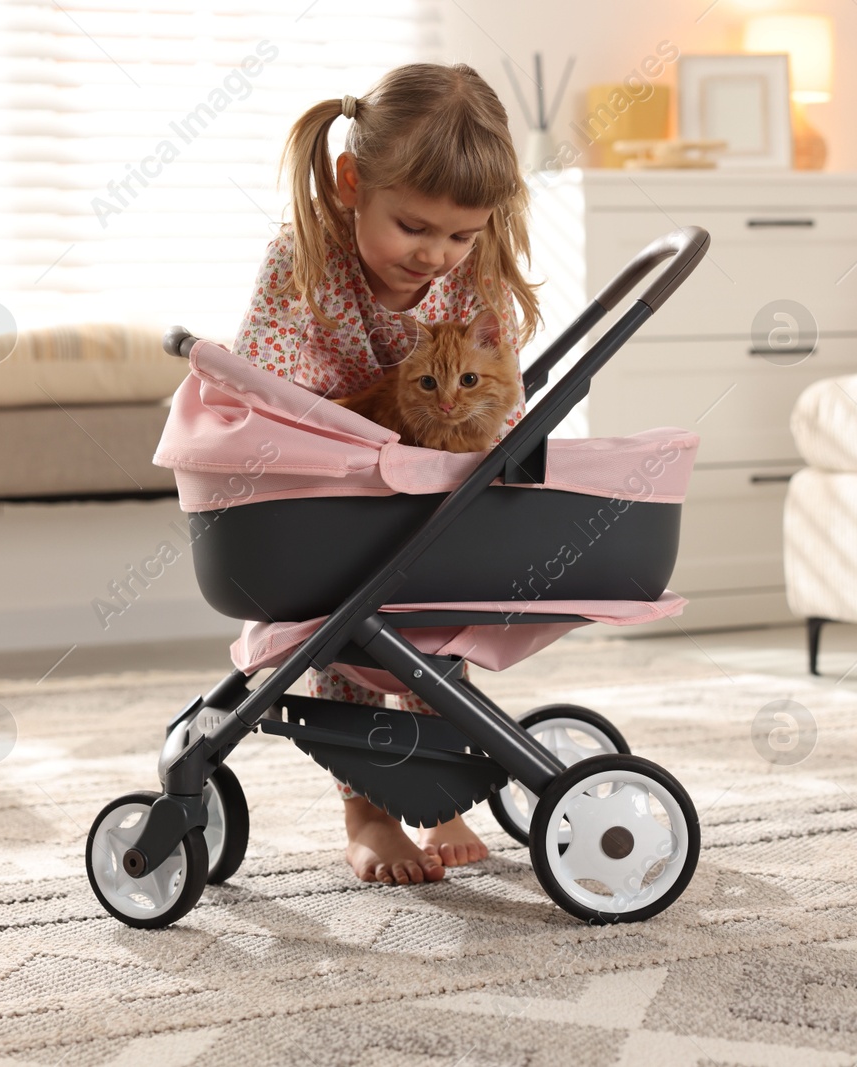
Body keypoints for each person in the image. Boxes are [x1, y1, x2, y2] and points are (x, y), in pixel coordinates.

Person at [230, 63, 540, 885]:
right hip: (327, 498)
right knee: (346, 640)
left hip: (434, 503)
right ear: (350, 183)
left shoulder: (472, 281)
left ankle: (440, 792)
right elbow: (264, 398)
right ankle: (366, 810)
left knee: (434, 639)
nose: (436, 255)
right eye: (413, 227)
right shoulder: (299, 264)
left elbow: (502, 404)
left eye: (462, 235)